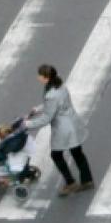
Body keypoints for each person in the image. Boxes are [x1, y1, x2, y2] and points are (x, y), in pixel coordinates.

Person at [26, 64, 94, 197]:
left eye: (40, 75)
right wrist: (38, 108)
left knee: (56, 155)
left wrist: (27, 124)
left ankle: (70, 183)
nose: (38, 77)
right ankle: (87, 180)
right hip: (73, 122)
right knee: (77, 153)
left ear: (46, 78)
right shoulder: (60, 84)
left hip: (64, 128)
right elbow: (57, 103)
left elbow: (47, 118)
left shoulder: (51, 94)